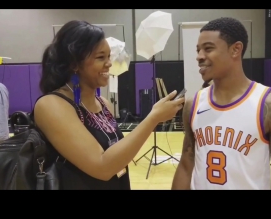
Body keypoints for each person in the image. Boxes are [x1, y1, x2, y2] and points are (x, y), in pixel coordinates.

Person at [33, 20, 184, 190]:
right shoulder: (52, 105)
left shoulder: (103, 104)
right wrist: (153, 118)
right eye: (100, 57)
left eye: (108, 56)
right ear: (74, 64)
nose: (109, 63)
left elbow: (118, 157)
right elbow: (102, 167)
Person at [171, 17, 271, 190]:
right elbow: (186, 165)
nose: (199, 57)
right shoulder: (193, 104)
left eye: (208, 49)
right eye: (198, 50)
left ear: (236, 49)